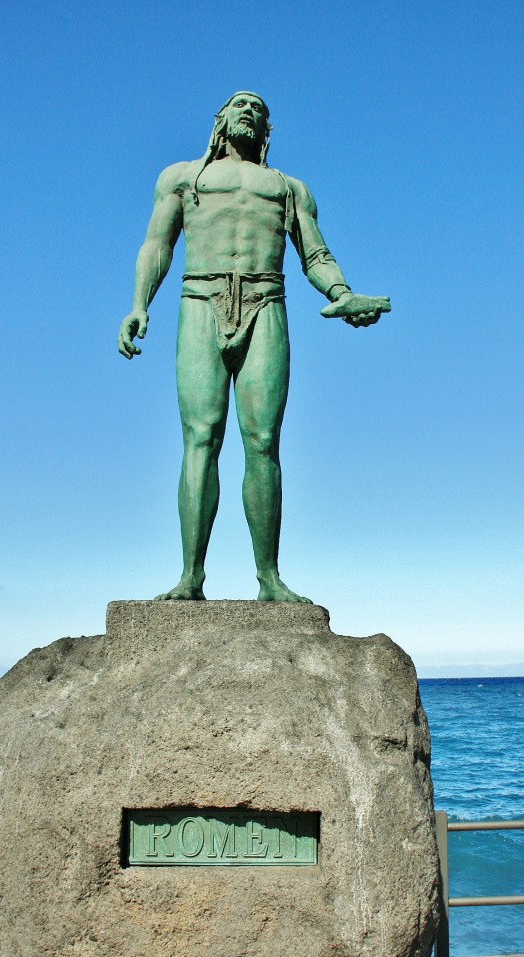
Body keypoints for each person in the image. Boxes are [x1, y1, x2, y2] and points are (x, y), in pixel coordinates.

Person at [118, 92, 390, 603]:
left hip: (267, 302)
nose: (249, 109)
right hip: (200, 299)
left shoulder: (288, 188)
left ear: (267, 127)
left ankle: (269, 578)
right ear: (220, 119)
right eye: (238, 103)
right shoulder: (182, 177)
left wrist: (343, 294)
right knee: (201, 436)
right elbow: (157, 244)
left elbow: (315, 253)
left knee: (263, 441)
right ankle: (191, 577)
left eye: (258, 107)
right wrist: (138, 304)